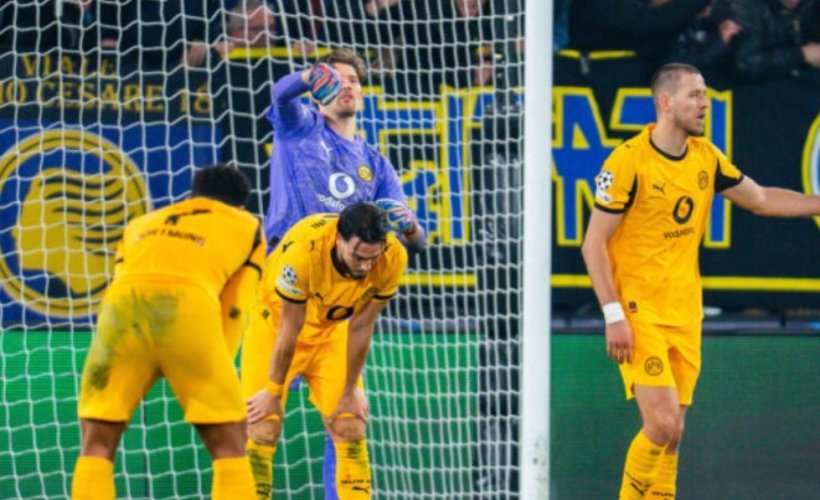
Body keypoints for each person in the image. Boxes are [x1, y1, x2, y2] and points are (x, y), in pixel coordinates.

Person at [581, 62, 820, 500]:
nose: (704, 104)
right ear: (665, 102)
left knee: (674, 433)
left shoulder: (706, 157)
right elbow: (593, 242)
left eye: (705, 94)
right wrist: (613, 314)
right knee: (661, 423)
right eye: (694, 95)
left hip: (685, 311)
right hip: (638, 310)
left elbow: (761, 199)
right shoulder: (629, 160)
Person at [71, 164, 266, 500]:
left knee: (97, 443)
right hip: (187, 311)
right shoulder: (248, 226)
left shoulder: (140, 223)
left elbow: (119, 282)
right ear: (239, 206)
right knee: (230, 446)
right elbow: (236, 306)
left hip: (120, 316)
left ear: (191, 195)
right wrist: (214, 363)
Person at [243, 202, 408, 499]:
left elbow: (361, 326)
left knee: (350, 423)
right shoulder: (304, 251)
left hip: (331, 332)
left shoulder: (393, 257)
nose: (366, 267)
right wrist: (272, 391)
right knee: (262, 428)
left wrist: (350, 389)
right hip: (275, 328)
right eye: (358, 257)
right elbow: (290, 329)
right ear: (339, 239)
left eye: (373, 258)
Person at [263, 47, 425, 253]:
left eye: (353, 81)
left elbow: (418, 243)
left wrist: (410, 228)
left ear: (361, 95)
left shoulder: (377, 165)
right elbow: (281, 94)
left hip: (339, 265)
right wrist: (310, 76)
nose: (347, 85)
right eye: (337, 80)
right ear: (316, 95)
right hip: (286, 255)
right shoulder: (299, 126)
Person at [726, 0, 820, 82]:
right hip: (760, 85)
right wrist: (801, 54)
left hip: (803, 77)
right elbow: (743, 65)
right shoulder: (746, 6)